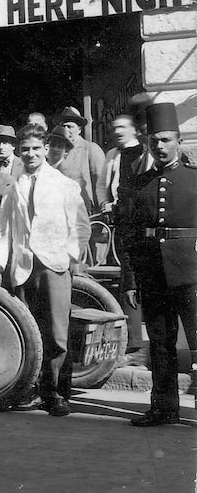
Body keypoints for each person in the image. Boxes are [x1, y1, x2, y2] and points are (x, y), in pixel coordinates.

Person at [0, 125, 89, 417]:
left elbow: (80, 226)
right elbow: (3, 233)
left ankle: (57, 394)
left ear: (45, 150)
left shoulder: (64, 184)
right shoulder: (14, 188)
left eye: (36, 149)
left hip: (54, 267)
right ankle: (30, 389)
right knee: (29, 332)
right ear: (20, 151)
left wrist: (70, 257)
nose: (30, 154)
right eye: (25, 149)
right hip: (23, 269)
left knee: (56, 334)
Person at [119, 103, 197, 426]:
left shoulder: (194, 180)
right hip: (153, 275)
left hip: (192, 274)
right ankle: (164, 408)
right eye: (155, 142)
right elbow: (131, 237)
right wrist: (132, 280)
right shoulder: (141, 186)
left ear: (178, 141)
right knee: (161, 346)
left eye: (166, 140)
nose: (161, 147)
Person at [100, 114, 153, 354]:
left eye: (122, 127)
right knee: (127, 276)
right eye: (115, 128)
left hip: (143, 222)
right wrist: (107, 204)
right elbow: (104, 185)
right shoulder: (113, 155)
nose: (118, 131)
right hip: (123, 222)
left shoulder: (145, 153)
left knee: (144, 275)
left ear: (133, 130)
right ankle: (133, 341)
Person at [54, 106, 108, 214]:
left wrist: (103, 207)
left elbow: (101, 184)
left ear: (79, 129)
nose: (66, 130)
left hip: (86, 212)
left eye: (70, 126)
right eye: (63, 126)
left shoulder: (90, 149)